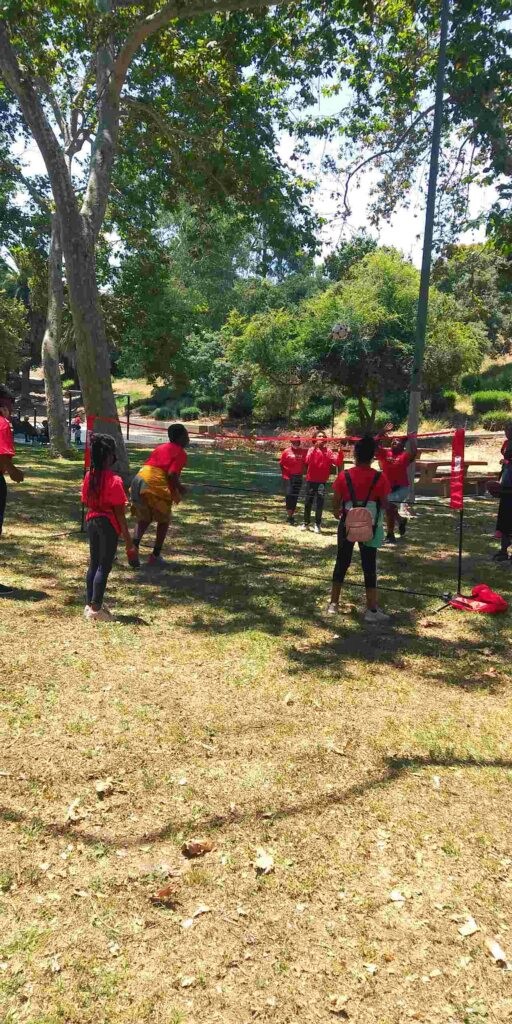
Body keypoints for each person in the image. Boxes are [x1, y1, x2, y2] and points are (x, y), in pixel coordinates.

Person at [328, 434, 391, 622]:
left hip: (347, 523)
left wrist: (337, 512)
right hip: (370, 525)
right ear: (372, 457)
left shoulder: (344, 475)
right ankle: (372, 610)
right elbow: (385, 504)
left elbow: (336, 501)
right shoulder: (380, 478)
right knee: (369, 565)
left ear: (354, 455)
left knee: (342, 561)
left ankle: (333, 603)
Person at [81, 434, 136, 621]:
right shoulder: (115, 480)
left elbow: (85, 500)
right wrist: (129, 543)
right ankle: (97, 609)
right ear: (108, 456)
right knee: (104, 566)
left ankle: (89, 604)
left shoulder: (89, 476)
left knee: (94, 563)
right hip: (107, 525)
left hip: (92, 520)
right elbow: (120, 515)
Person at [130, 423, 189, 566]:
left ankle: (132, 549)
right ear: (180, 437)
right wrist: (180, 488)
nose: (188, 438)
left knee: (144, 518)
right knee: (164, 520)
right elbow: (171, 474)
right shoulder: (180, 452)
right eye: (187, 435)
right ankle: (155, 555)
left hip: (139, 479)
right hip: (154, 483)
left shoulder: (161, 447)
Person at [0, 385, 25, 596]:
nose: (12, 407)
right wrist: (15, 472)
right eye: (10, 402)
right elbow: (3, 456)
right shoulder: (2, 424)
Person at [376, 431, 417, 544]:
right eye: (393, 440)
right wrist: (381, 434)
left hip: (401, 487)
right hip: (387, 488)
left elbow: (414, 452)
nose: (394, 441)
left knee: (390, 508)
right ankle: (401, 520)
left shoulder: (404, 456)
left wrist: (411, 439)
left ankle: (390, 535)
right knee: (390, 508)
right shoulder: (385, 453)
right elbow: (374, 445)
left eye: (398, 440)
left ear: (402, 445)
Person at [301, 430, 337, 533]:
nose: (321, 438)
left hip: (322, 481)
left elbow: (336, 461)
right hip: (311, 480)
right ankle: (306, 523)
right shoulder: (311, 449)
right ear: (315, 439)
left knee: (320, 503)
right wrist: (314, 450)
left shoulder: (328, 451)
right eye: (319, 436)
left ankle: (317, 524)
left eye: (323, 436)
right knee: (308, 502)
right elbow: (307, 461)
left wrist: (340, 453)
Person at [491, 441, 512, 562]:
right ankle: (503, 550)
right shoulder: (507, 443)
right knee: (504, 520)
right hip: (506, 485)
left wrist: (508, 462)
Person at [279, 436, 306, 525]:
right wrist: (285, 474)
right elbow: (281, 464)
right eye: (294, 441)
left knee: (295, 495)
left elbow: (308, 461)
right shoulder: (286, 451)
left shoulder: (303, 451)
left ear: (299, 442)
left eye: (297, 441)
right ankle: (289, 515)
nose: (296, 443)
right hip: (288, 477)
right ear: (291, 442)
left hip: (298, 477)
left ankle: (291, 516)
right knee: (289, 495)